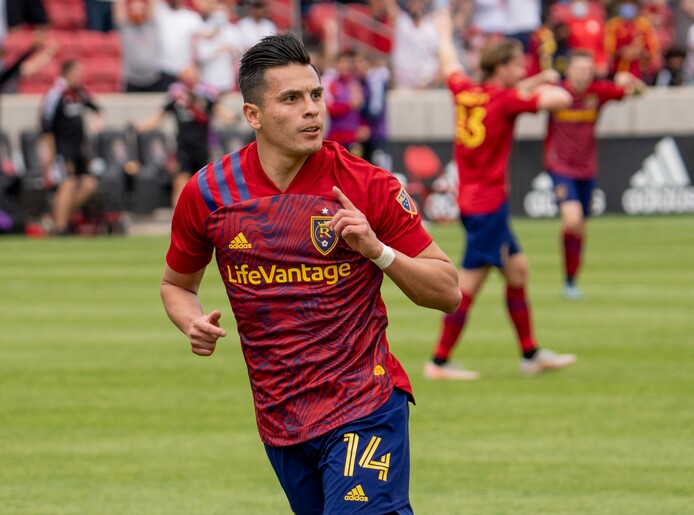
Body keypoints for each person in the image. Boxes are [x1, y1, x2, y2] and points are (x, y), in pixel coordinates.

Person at [160, 33, 461, 513]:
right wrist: (190, 321)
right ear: (253, 115)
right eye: (292, 99)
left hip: (365, 404)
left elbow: (447, 291)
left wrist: (378, 251)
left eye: (316, 95)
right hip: (281, 418)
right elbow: (177, 285)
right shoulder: (210, 193)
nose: (312, 110)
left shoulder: (367, 184)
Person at [424, 9, 577, 381]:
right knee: (467, 285)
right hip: (487, 205)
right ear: (501, 67)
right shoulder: (505, 100)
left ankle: (530, 354)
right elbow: (561, 99)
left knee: (518, 270)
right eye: (518, 63)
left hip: (475, 201)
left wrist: (444, 33)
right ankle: (439, 362)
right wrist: (541, 83)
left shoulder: (467, 92)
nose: (523, 68)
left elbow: (450, 64)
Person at [544, 50, 644, 300]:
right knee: (572, 220)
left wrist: (631, 80)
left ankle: (570, 281)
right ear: (568, 70)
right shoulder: (557, 93)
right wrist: (540, 79)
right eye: (579, 69)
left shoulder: (598, 92)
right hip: (560, 166)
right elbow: (525, 95)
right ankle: (569, 281)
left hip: (587, 168)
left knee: (581, 228)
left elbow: (639, 93)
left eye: (588, 69)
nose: (583, 74)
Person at [133, 62, 236, 206]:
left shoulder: (206, 96)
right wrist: (138, 126)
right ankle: (177, 216)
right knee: (180, 183)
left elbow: (223, 113)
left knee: (208, 186)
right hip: (183, 148)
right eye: (186, 75)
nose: (189, 78)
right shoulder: (176, 97)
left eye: (192, 75)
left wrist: (234, 118)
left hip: (203, 148)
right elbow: (158, 118)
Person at [40, 60, 103, 235]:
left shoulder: (79, 92)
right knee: (68, 183)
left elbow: (96, 107)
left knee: (89, 184)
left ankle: (57, 217)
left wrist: (98, 121)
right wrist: (49, 154)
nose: (80, 77)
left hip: (79, 150)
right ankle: (60, 228)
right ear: (66, 74)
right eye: (76, 73)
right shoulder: (55, 94)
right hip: (63, 149)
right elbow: (46, 127)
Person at [113, 0, 165, 92]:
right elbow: (119, 8)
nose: (137, 11)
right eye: (134, 9)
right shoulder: (126, 28)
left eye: (140, 9)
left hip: (152, 78)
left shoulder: (151, 27)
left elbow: (153, 4)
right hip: (132, 79)